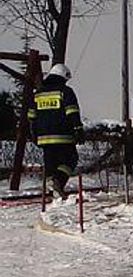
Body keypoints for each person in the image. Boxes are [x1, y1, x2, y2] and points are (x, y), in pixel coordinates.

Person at [28, 63, 83, 199]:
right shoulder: (65, 92)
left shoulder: (38, 93)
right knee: (70, 159)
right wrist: (78, 129)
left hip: (43, 138)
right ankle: (57, 182)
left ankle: (53, 189)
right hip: (63, 136)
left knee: (51, 165)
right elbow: (72, 112)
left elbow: (31, 116)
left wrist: (34, 134)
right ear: (63, 77)